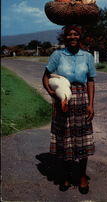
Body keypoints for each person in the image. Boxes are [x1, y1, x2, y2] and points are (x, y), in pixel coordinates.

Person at [42, 24, 96, 194]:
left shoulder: (87, 57)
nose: (73, 37)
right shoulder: (57, 55)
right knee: (64, 139)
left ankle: (81, 176)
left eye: (76, 34)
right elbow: (46, 76)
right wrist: (51, 92)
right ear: (65, 37)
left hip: (81, 99)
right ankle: (65, 176)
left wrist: (90, 104)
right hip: (62, 99)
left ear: (80, 37)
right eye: (69, 34)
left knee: (82, 138)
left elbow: (90, 81)